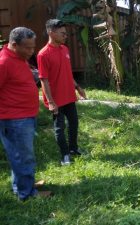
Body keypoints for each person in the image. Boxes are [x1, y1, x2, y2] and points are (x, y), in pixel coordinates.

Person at [0, 27, 51, 200]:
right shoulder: (4, 62)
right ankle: (27, 194)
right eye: (27, 48)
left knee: (19, 155)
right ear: (14, 45)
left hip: (24, 116)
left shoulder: (18, 57)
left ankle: (21, 185)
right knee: (24, 157)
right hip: (14, 120)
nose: (31, 51)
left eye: (33, 47)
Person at [38, 19, 86, 166]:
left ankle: (73, 149)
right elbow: (44, 80)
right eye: (62, 33)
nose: (66, 36)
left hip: (69, 96)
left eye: (65, 33)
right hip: (56, 100)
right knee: (60, 128)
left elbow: (67, 72)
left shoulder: (65, 49)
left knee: (74, 124)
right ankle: (64, 155)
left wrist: (77, 87)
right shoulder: (43, 54)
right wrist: (51, 102)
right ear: (51, 33)